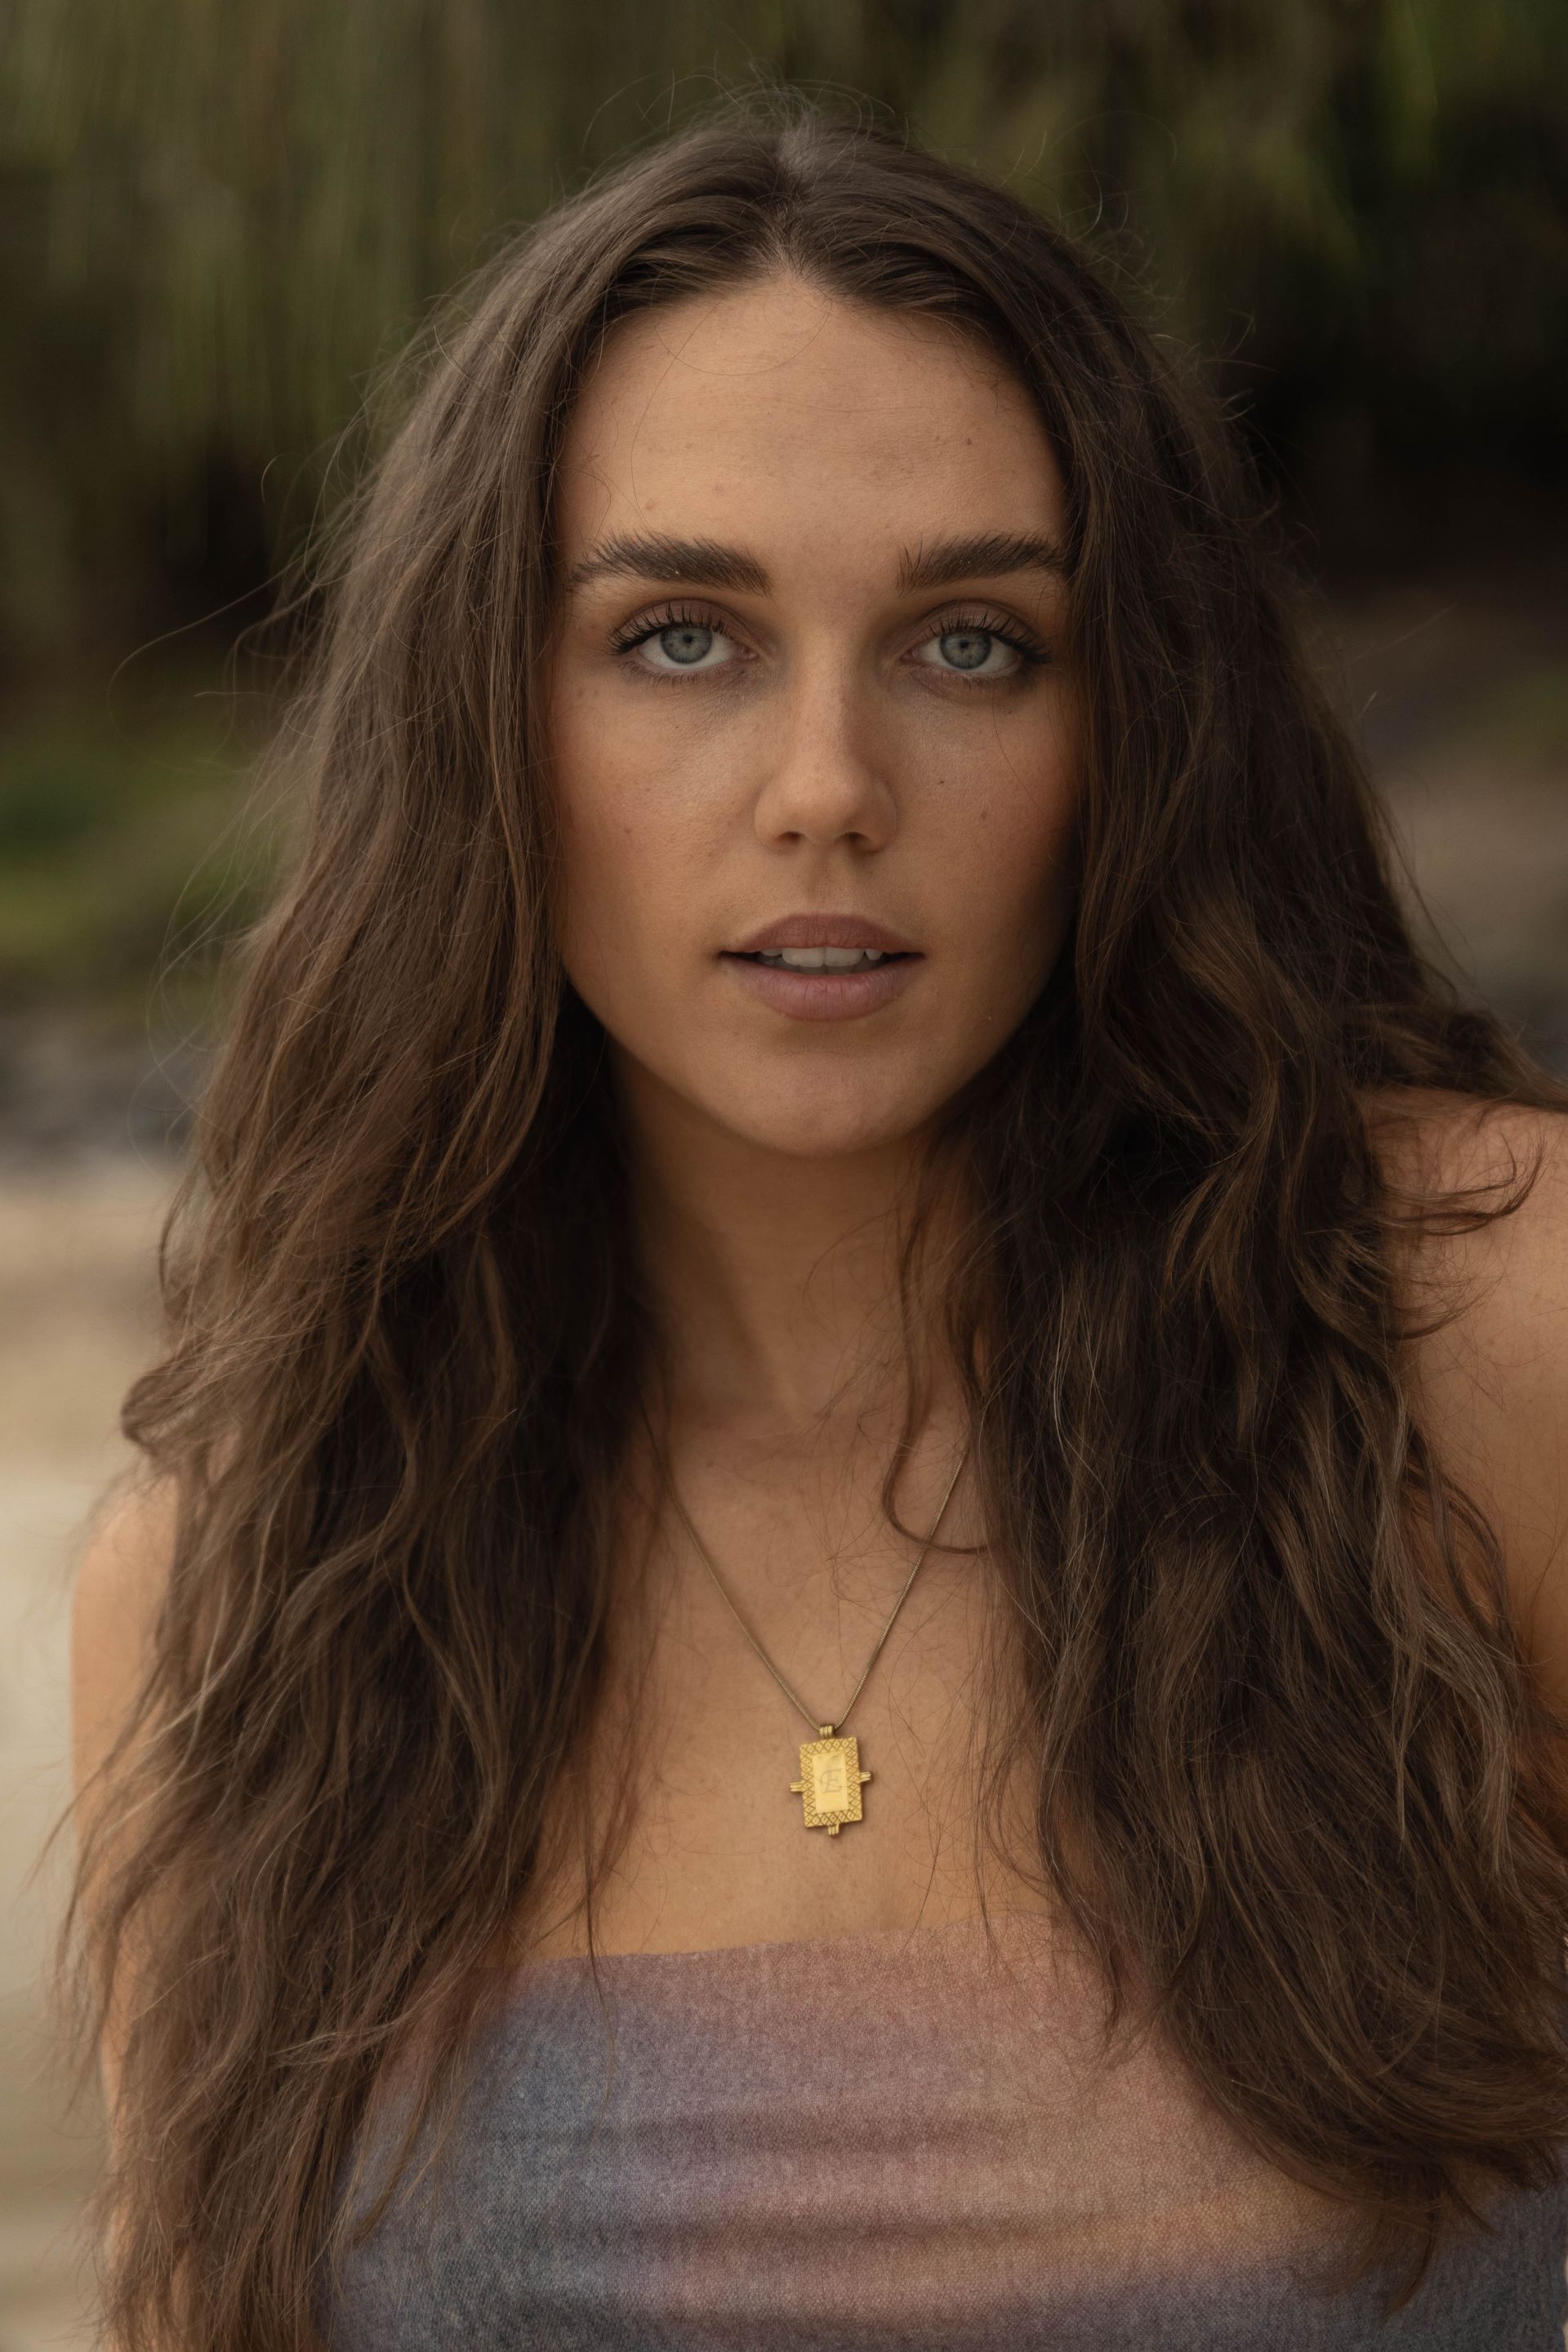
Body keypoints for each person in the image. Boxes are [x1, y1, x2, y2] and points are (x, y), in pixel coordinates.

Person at [67, 99, 1568, 2352]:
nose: (829, 791)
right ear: (486, 723)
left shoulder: (1481, 1340)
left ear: (1137, 724)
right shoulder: (246, 1582)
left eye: (973, 645)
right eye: (682, 638)